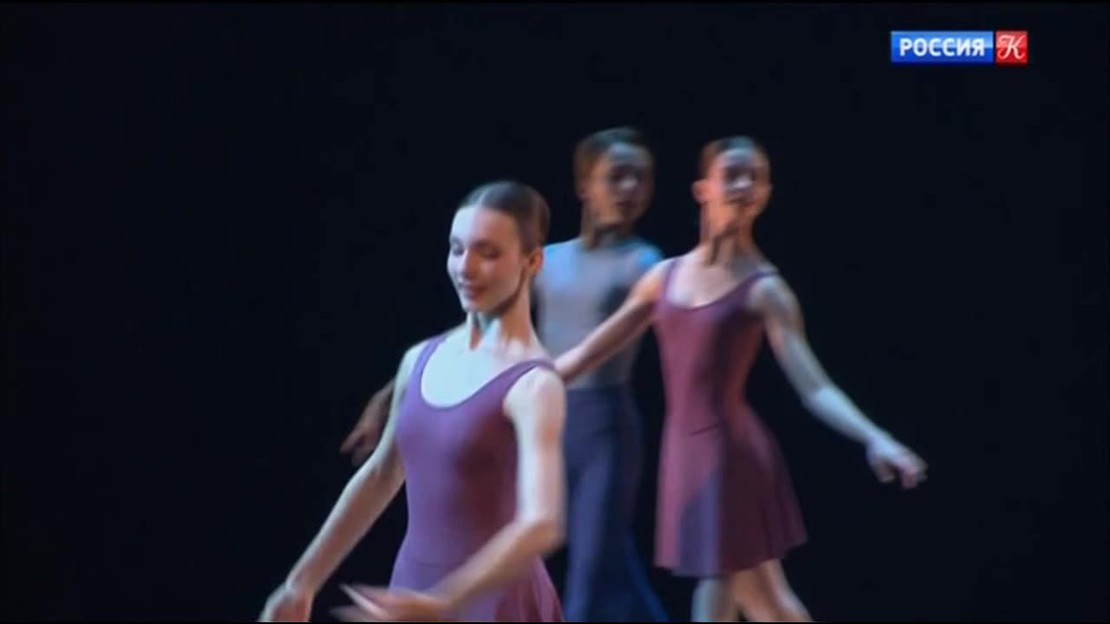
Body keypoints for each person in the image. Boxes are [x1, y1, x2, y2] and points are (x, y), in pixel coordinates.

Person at [553, 136, 929, 622]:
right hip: (684, 452)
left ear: (766, 194)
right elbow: (588, 352)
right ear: (702, 189)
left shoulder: (766, 289)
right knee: (768, 601)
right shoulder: (665, 277)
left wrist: (875, 437)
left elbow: (815, 386)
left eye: (756, 177)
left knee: (719, 582)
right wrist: (512, 386)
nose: (745, 184)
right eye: (733, 174)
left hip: (732, 456)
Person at [341, 127, 670, 622]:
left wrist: (512, 386)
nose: (630, 188)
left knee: (594, 566)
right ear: (585, 185)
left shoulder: (644, 264)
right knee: (563, 558)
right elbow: (476, 331)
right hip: (527, 417)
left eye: (641, 178)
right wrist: (393, 393)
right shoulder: (550, 260)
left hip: (597, 424)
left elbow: (588, 352)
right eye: (617, 176)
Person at [261, 180, 567, 622]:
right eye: (457, 249)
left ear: (532, 261)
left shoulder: (534, 385)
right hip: (415, 588)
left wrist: (446, 600)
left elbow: (542, 523)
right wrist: (301, 583)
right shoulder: (419, 360)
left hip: (494, 602)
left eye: (488, 253)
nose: (466, 267)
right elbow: (383, 473)